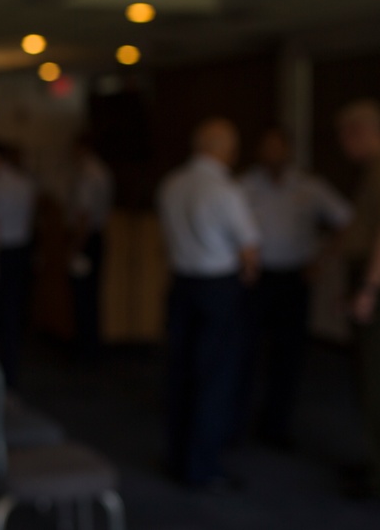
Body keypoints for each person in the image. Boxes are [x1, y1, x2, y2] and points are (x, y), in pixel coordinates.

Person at [158, 118, 260, 490]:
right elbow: (249, 248)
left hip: (181, 284)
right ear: (221, 148)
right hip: (218, 289)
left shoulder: (172, 183)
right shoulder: (225, 189)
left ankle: (179, 456)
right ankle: (202, 466)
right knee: (215, 378)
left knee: (181, 373)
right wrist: (249, 274)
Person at [239, 127, 351, 449]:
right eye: (267, 147)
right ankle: (238, 419)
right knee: (245, 351)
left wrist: (323, 260)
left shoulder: (309, 186)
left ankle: (277, 424)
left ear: (289, 151)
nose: (273, 153)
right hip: (257, 279)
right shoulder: (245, 185)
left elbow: (346, 219)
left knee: (288, 355)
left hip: (293, 279)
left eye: (279, 148)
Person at [336, 99, 380, 499]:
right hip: (367, 279)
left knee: (374, 380)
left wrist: (367, 289)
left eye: (345, 135)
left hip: (375, 285)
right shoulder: (369, 171)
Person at [0, 140, 36, 386]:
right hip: (21, 250)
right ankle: (11, 372)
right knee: (13, 312)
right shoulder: (25, 183)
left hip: (0, 252)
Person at [66, 134, 113, 362]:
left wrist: (76, 246)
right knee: (89, 296)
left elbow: (84, 215)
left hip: (86, 240)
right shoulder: (99, 170)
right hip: (94, 238)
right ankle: (90, 348)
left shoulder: (88, 173)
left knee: (84, 296)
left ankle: (87, 351)